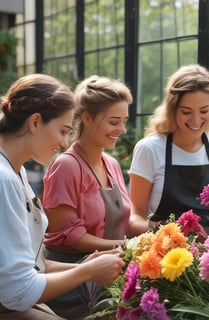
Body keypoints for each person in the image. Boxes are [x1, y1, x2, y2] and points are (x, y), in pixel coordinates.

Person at [0, 74, 124, 319]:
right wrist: (88, 272)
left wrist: (86, 266)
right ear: (35, 122)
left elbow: (31, 266)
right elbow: (18, 292)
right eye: (63, 131)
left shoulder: (9, 170)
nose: (64, 143)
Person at [41, 75, 133, 318]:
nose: (122, 130)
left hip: (108, 274)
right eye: (114, 122)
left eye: (124, 121)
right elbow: (70, 236)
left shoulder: (111, 164)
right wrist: (123, 247)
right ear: (87, 118)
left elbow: (124, 218)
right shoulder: (66, 166)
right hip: (72, 282)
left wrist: (159, 232)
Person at [128, 64, 209, 235]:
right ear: (172, 110)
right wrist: (167, 231)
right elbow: (134, 219)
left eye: (204, 111)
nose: (196, 120)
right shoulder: (149, 149)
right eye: (186, 112)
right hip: (167, 252)